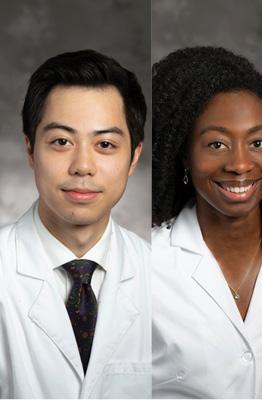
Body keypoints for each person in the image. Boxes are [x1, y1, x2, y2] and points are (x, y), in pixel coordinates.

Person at [0, 50, 151, 398]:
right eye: (61, 142)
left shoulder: (161, 277)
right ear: (30, 150)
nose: (83, 166)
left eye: (105, 144)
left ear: (134, 158)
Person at [151, 46, 262, 398]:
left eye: (258, 142)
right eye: (216, 144)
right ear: (185, 155)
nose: (240, 164)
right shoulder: (146, 263)